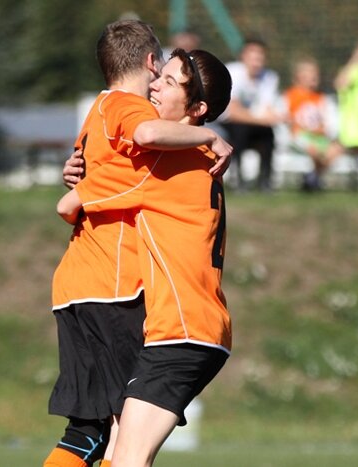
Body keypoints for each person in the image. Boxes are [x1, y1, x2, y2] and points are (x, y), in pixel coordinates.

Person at [44, 20, 232, 467]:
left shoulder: (159, 161)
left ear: (196, 108)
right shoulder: (196, 156)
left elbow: (69, 204)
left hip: (178, 327)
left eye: (169, 82)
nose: (155, 87)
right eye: (159, 75)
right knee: (112, 446)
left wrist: (85, 176)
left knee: (117, 448)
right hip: (183, 326)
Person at [220, 38, 284, 192]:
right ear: (243, 57)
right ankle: (238, 179)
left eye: (260, 57)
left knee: (268, 135)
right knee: (240, 131)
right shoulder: (232, 72)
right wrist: (262, 119)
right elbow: (232, 112)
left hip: (254, 123)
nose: (257, 62)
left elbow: (268, 108)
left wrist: (273, 117)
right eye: (253, 57)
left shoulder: (270, 77)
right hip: (229, 125)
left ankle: (265, 181)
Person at [283, 56, 343, 191]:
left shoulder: (322, 98)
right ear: (299, 76)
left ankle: (312, 177)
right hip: (299, 136)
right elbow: (285, 119)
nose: (314, 77)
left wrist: (326, 132)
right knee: (314, 150)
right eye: (310, 73)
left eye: (315, 73)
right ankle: (313, 179)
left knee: (337, 149)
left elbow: (330, 123)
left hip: (318, 137)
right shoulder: (290, 95)